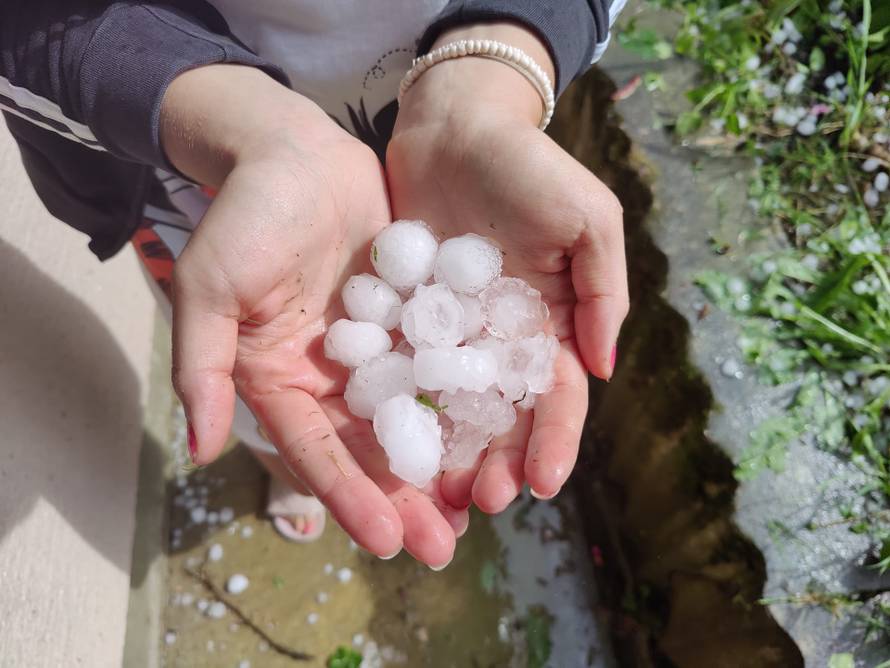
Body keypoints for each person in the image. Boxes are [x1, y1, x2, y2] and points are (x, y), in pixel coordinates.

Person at [0, 1, 629, 570]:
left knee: (273, 377)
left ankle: (289, 471)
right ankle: (279, 467)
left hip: (430, 108)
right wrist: (242, 124)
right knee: (253, 367)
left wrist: (492, 75)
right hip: (176, 147)